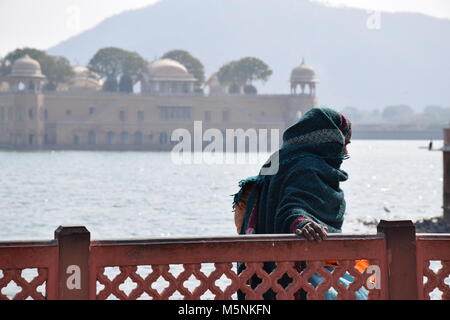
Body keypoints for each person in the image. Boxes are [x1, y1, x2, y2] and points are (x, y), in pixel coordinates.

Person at [232, 107, 368, 300]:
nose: (345, 151)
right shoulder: (309, 166)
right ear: (329, 141)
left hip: (263, 276)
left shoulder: (278, 160)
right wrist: (302, 222)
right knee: (372, 282)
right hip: (298, 276)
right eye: (343, 143)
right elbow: (293, 205)